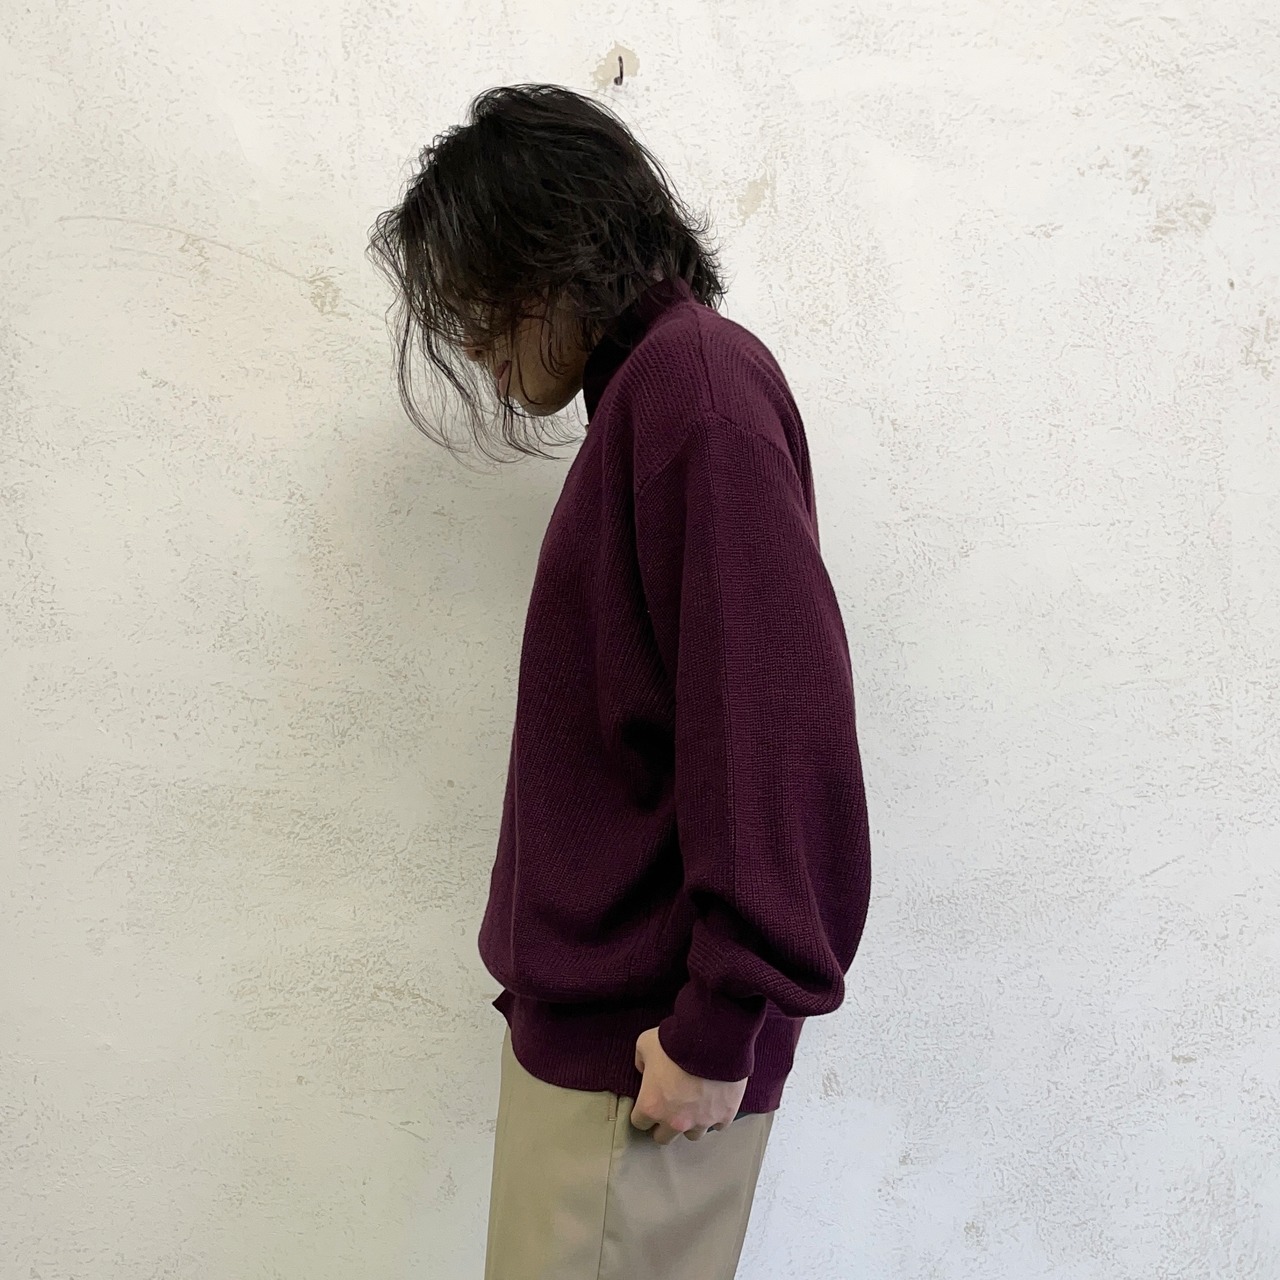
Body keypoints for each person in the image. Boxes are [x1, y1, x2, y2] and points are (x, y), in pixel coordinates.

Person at [367, 82, 872, 1280]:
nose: (472, 346)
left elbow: (771, 720)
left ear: (553, 252)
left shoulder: (693, 390)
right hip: (615, 1043)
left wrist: (718, 1021)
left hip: (648, 1059)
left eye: (480, 300)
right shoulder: (659, 396)